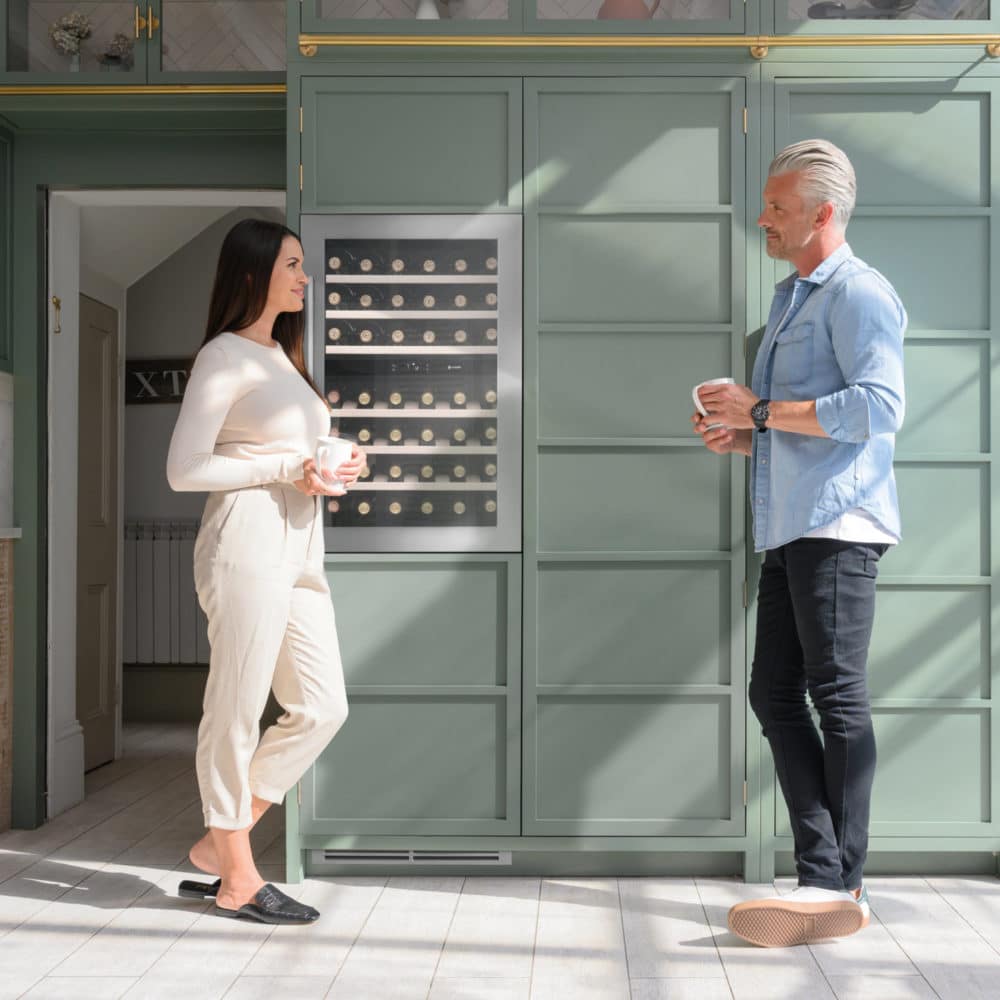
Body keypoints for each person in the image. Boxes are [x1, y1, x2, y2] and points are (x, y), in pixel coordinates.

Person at [693, 140, 905, 948]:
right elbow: (800, 425)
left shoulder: (859, 294)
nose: (764, 219)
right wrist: (741, 436)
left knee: (837, 694)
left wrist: (758, 413)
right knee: (773, 694)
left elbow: (878, 408)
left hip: (840, 527)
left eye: (777, 208)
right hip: (789, 526)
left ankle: (840, 879)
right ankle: (821, 869)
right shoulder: (789, 298)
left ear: (822, 213)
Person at [166, 218, 364, 924]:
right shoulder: (223, 357)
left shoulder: (283, 357)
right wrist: (288, 465)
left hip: (300, 541)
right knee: (237, 708)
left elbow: (294, 451)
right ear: (253, 272)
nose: (304, 277)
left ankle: (223, 845)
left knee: (322, 705)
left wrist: (335, 462)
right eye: (291, 264)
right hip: (246, 540)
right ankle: (239, 876)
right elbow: (185, 470)